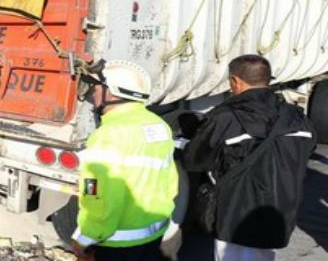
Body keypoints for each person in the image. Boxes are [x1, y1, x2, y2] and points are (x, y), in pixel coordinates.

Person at [183, 54, 316, 261]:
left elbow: (195, 160)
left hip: (234, 212)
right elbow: (308, 149)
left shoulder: (225, 117)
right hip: (280, 210)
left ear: (235, 81)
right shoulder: (296, 117)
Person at [72, 60, 177, 261]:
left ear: (111, 93)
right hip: (154, 233)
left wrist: (85, 238)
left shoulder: (109, 134)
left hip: (117, 243)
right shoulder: (159, 125)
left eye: (97, 87)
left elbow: (99, 194)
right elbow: (169, 180)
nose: (92, 93)